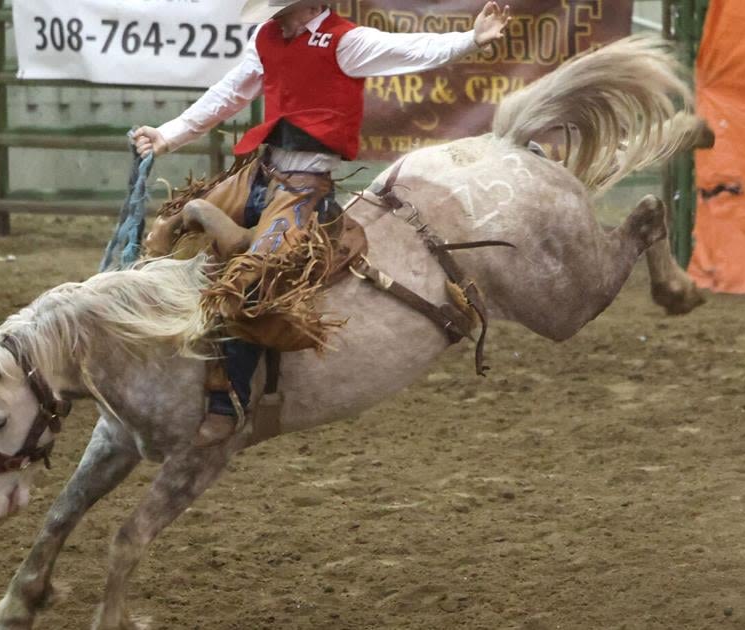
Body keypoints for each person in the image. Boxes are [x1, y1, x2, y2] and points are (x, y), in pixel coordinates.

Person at [132, 0, 512, 443]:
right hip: (261, 172)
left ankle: (228, 399)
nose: (275, 14)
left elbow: (410, 49)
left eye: (283, 7)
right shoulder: (269, 40)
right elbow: (229, 93)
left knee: (256, 279)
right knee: (169, 228)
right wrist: (168, 134)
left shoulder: (345, 41)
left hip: (303, 186)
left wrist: (469, 39)